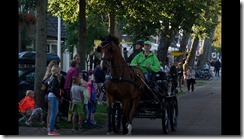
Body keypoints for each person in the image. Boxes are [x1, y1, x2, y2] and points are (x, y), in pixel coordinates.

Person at [44, 65, 62, 135]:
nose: (59, 72)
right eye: (59, 71)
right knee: (53, 114)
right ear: (57, 71)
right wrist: (59, 96)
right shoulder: (54, 78)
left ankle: (51, 129)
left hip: (51, 96)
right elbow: (53, 89)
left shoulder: (51, 77)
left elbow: (45, 82)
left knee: (53, 113)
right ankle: (51, 131)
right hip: (53, 96)